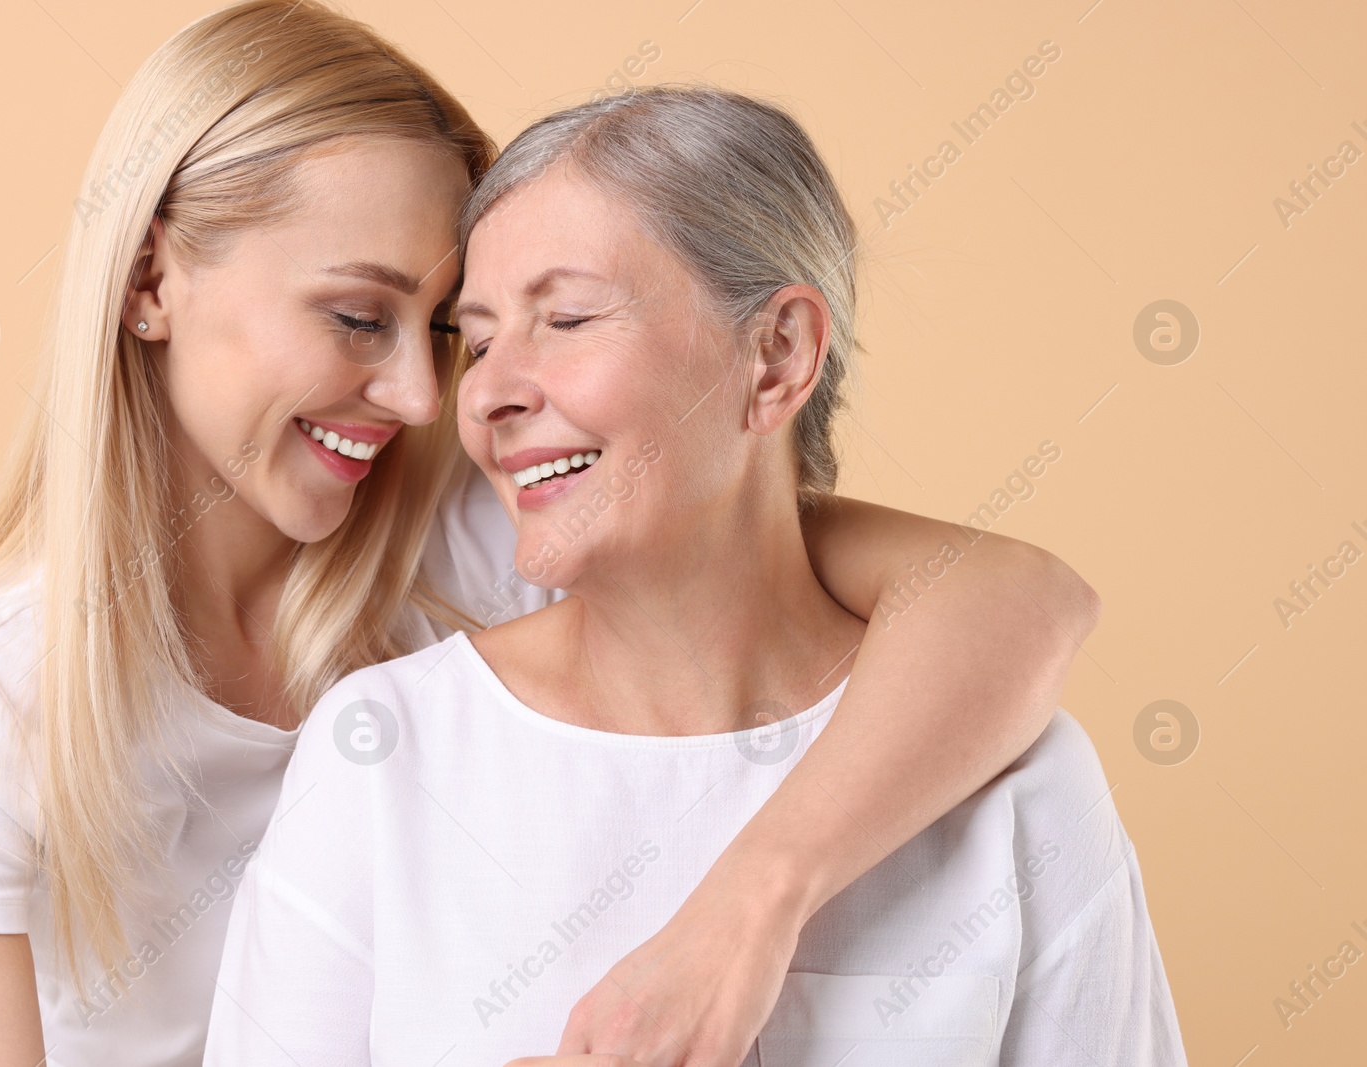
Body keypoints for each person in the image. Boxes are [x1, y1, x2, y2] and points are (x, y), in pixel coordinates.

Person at [0, 6, 1098, 1067]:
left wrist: (745, 911)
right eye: (353, 315)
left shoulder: (485, 542)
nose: (421, 397)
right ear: (149, 281)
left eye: (446, 328)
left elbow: (1013, 596)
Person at [203, 85, 1183, 1066]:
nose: (489, 393)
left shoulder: (1014, 778)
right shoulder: (385, 755)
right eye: (484, 338)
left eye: (569, 316)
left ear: (774, 357)